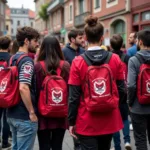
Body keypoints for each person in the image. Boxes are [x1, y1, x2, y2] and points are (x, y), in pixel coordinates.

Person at [68, 16, 124, 150]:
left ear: (85, 38)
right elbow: (122, 89)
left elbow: (73, 96)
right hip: (109, 118)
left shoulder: (78, 62)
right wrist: (113, 104)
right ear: (101, 38)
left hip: (86, 119)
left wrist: (71, 121)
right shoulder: (115, 59)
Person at [7, 27, 40, 150]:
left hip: (12, 113)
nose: (37, 43)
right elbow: (23, 87)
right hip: (24, 115)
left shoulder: (12, 58)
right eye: (35, 40)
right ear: (27, 41)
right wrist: (32, 112)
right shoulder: (26, 61)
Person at [35, 36, 70, 150]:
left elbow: (35, 91)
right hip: (61, 112)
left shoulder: (38, 66)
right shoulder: (65, 65)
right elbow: (69, 90)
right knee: (57, 145)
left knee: (43, 146)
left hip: (43, 114)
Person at [127, 29, 150, 150]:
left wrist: (130, 103)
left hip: (138, 107)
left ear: (140, 42)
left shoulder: (134, 60)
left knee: (140, 140)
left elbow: (131, 85)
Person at [63, 29, 85, 150]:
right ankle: (77, 145)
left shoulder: (84, 52)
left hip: (84, 92)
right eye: (80, 38)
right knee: (74, 120)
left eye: (83, 37)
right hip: (70, 92)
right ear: (72, 39)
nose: (83, 40)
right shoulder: (64, 52)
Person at [110, 34, 131, 150]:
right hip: (124, 90)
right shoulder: (127, 57)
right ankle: (127, 141)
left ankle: (117, 146)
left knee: (114, 120)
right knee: (124, 118)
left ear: (111, 45)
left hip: (113, 91)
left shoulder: (110, 57)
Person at [0, 36, 12, 149]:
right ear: (9, 46)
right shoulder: (11, 59)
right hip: (7, 93)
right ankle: (4, 142)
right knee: (6, 118)